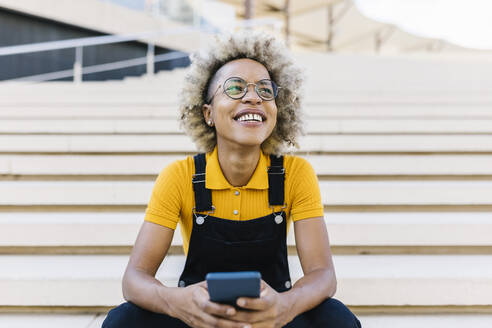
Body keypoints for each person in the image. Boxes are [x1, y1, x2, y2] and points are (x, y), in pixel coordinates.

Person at [102, 31, 362, 328]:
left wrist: (285, 306)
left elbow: (323, 275)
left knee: (336, 319)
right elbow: (134, 279)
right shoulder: (180, 176)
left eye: (266, 90)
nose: (253, 97)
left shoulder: (295, 174)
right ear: (208, 113)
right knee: (122, 321)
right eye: (235, 87)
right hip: (199, 321)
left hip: (271, 321)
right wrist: (177, 303)